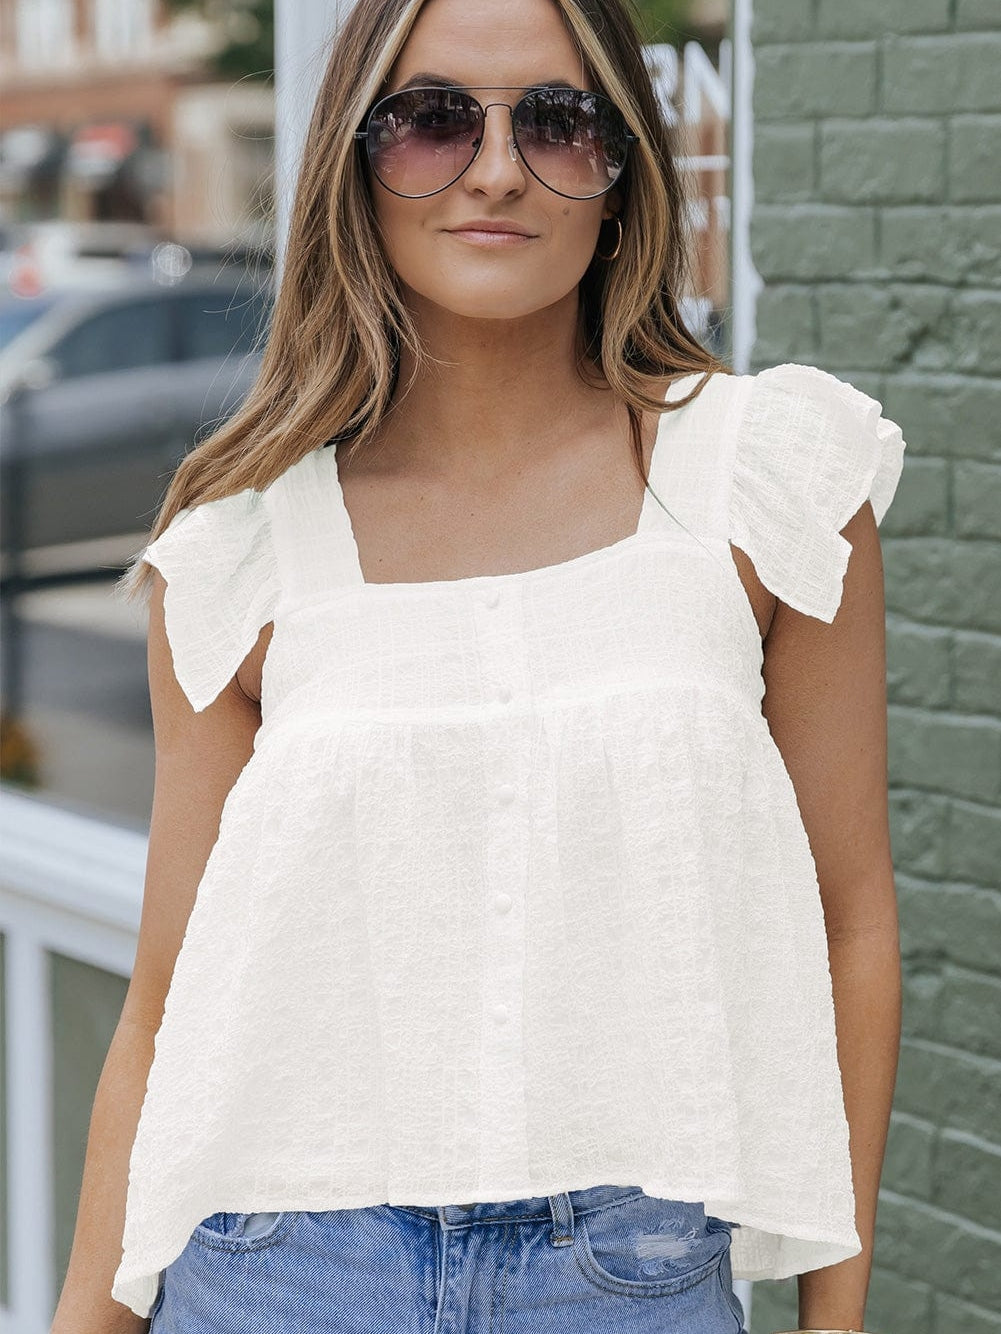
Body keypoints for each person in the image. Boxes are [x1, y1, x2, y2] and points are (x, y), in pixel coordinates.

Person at [52, 0, 904, 1331]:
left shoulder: (764, 479)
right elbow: (162, 1007)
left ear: (620, 171)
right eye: (433, 119)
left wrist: (832, 1318)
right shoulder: (242, 546)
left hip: (625, 1278)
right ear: (357, 163)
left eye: (557, 122)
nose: (496, 169)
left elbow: (850, 927)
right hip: (271, 1270)